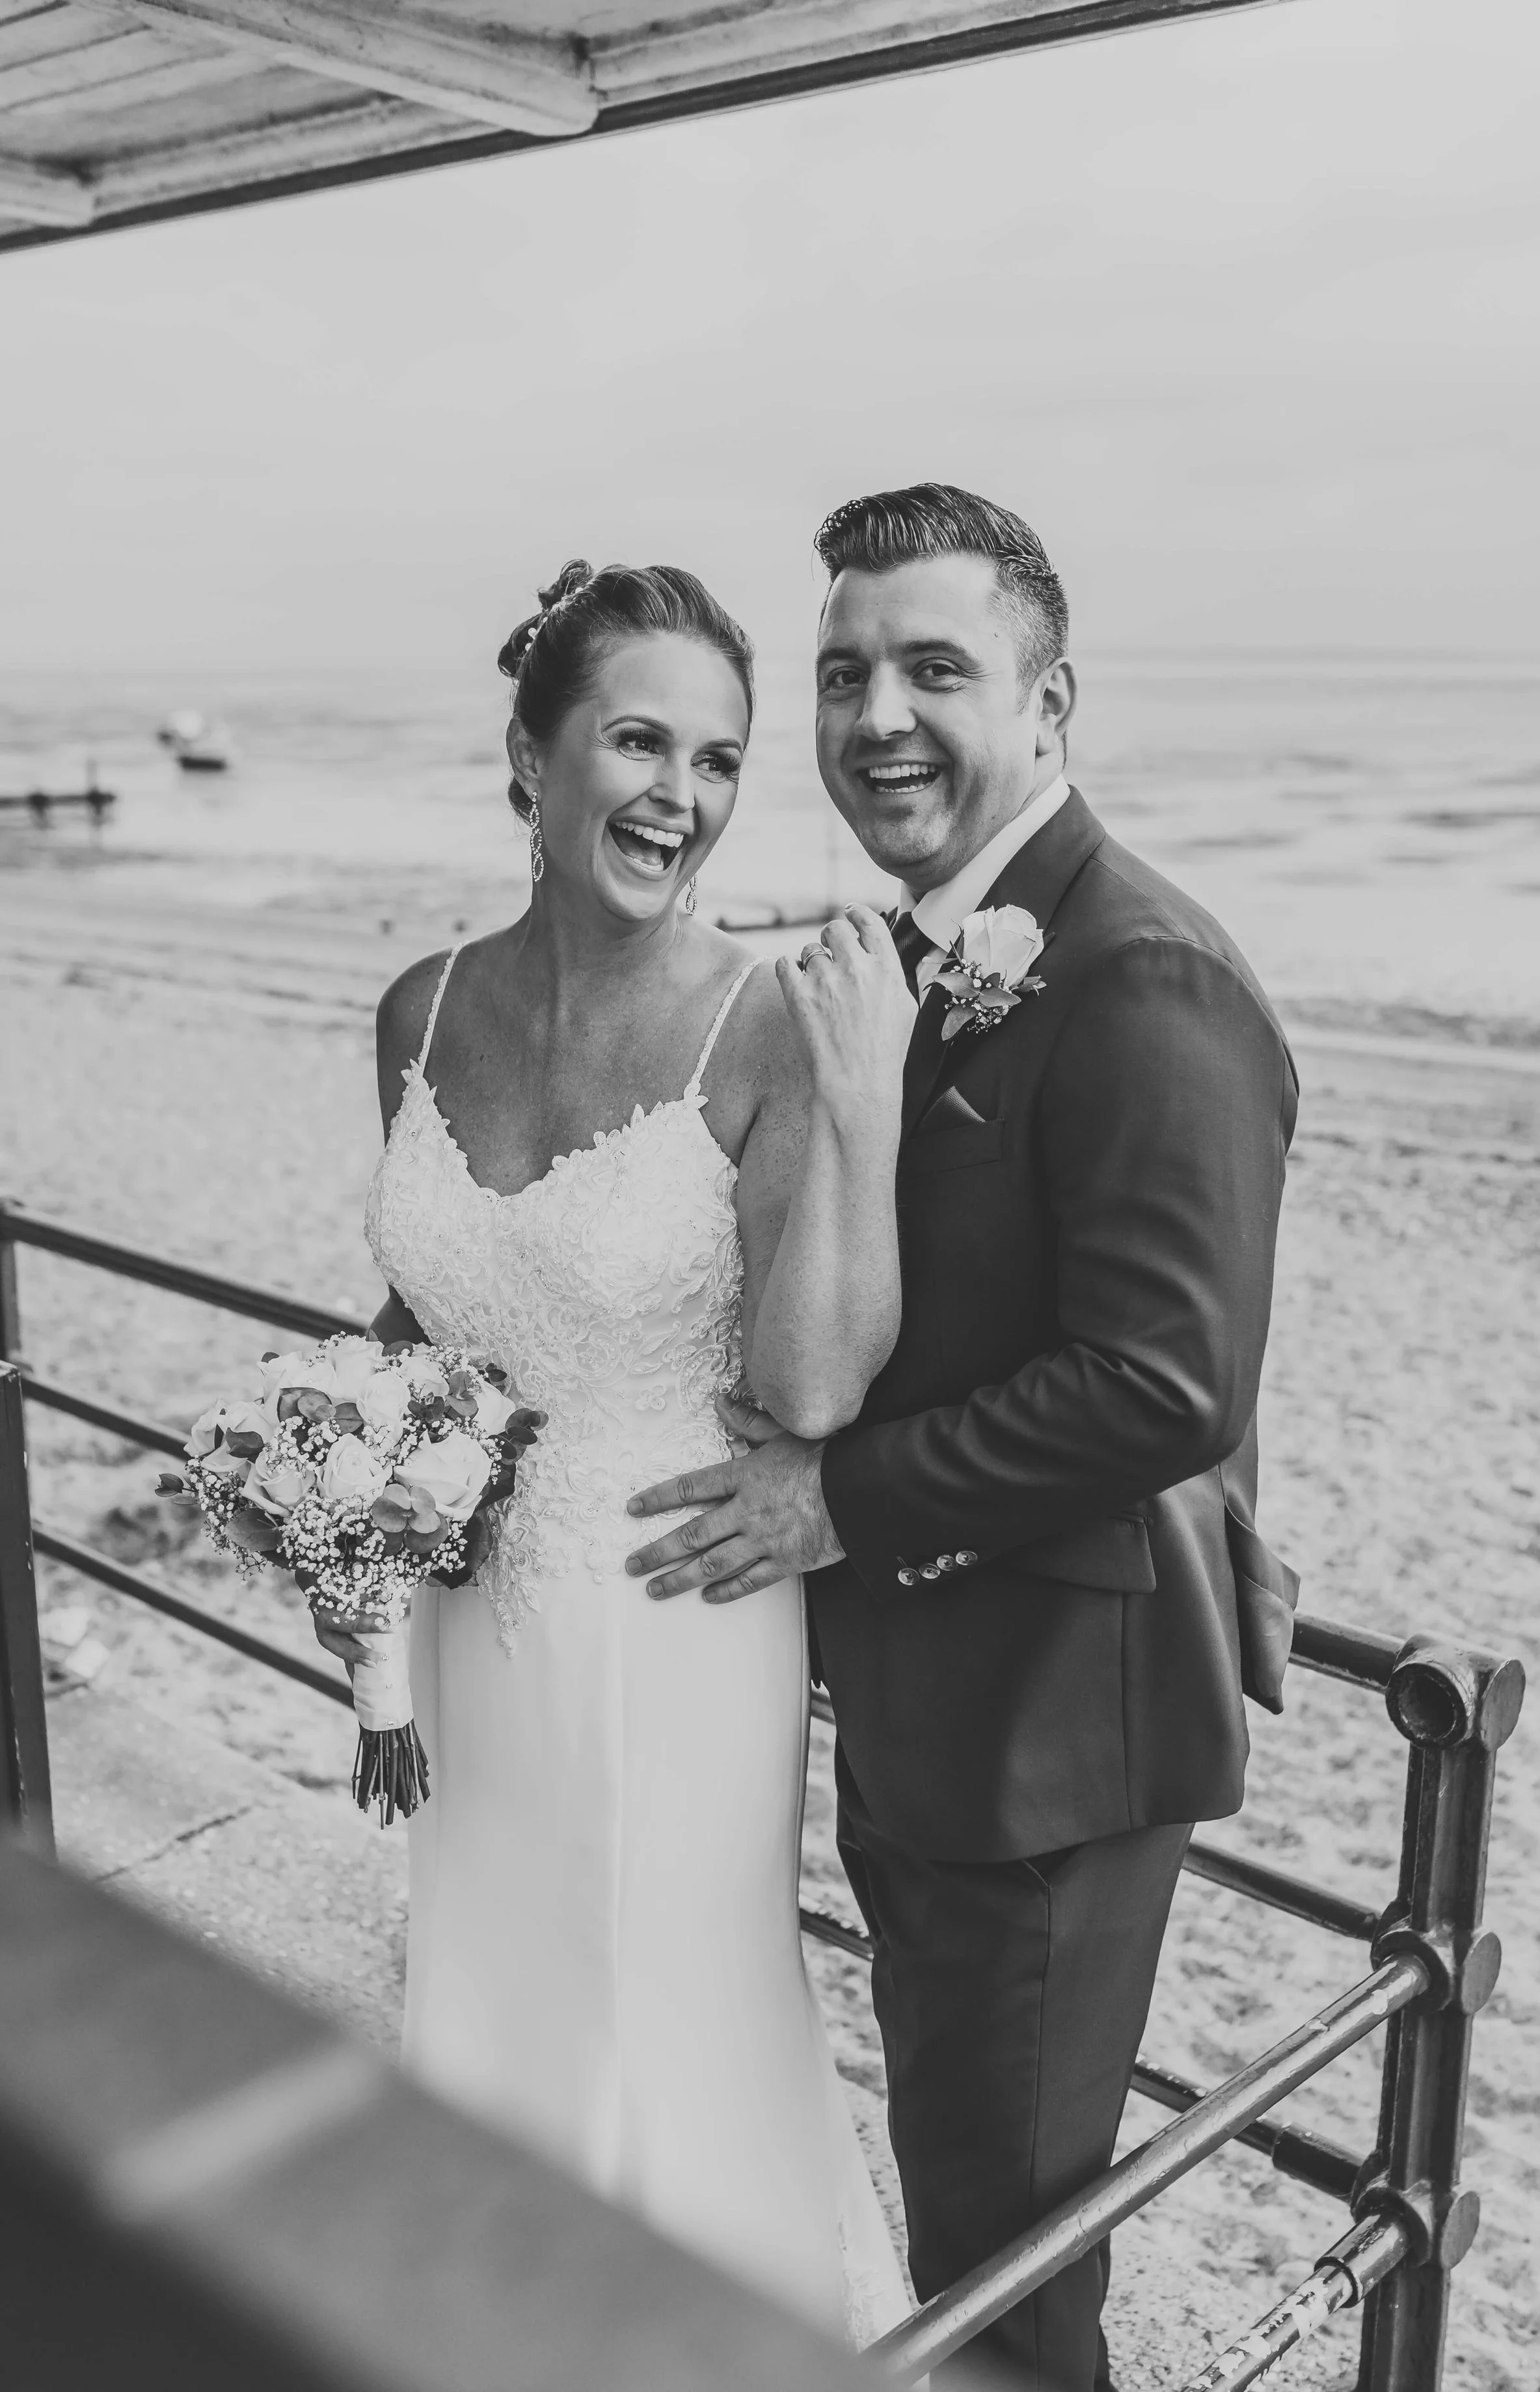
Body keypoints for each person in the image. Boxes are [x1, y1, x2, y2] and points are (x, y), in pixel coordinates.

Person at [625, 485, 1301, 2389]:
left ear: (1051, 698)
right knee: (968, 2227)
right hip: (948, 1718)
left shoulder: (1140, 968)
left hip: (1049, 1750)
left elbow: (1168, 1383)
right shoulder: (937, 950)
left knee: (1006, 2274)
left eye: (934, 667)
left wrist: (829, 1499)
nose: (875, 717)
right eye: (843, 673)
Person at [325, 560, 915, 2344]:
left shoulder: (760, 1027)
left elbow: (814, 1387)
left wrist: (866, 1107)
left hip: (678, 1608)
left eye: (720, 760)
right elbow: (417, 1335)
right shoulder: (414, 1012)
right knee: (494, 1985)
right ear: (529, 756)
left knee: (667, 2009)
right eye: (638, 739)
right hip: (468, 1628)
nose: (682, 795)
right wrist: (361, 1566)